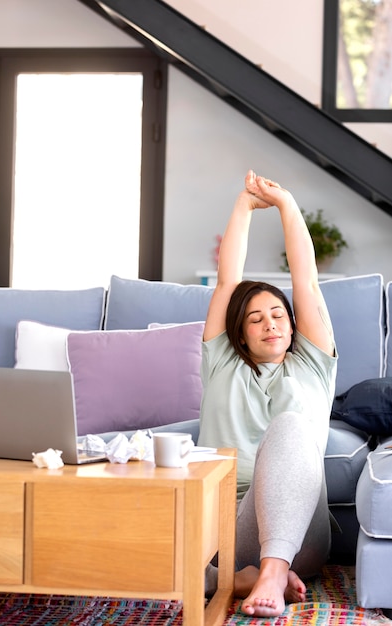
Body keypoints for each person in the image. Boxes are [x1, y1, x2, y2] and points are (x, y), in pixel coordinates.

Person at [198, 169, 338, 617]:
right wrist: (243, 205)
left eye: (277, 314)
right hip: (227, 526)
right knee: (144, 553)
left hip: (302, 532)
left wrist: (286, 205)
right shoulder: (222, 363)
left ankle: (271, 571)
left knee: (291, 425)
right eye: (255, 319)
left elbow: (307, 283)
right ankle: (241, 576)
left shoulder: (312, 365)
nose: (270, 323)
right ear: (238, 333)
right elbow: (227, 282)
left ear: (293, 324)